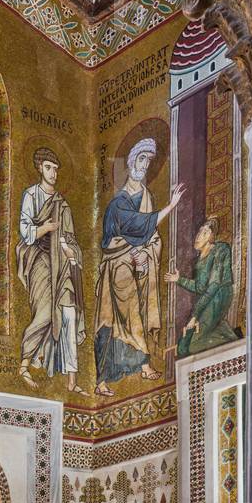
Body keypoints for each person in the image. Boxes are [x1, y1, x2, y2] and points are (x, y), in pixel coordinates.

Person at [94, 137, 184, 395]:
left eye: (149, 161)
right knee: (114, 315)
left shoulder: (147, 197)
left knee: (137, 310)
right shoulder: (118, 203)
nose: (144, 165)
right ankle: (105, 377)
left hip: (137, 265)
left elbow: (151, 235)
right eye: (141, 159)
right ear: (131, 161)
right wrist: (171, 206)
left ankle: (142, 364)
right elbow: (131, 229)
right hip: (116, 266)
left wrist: (145, 253)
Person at [16, 147, 86, 394]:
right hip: (38, 259)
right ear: (39, 168)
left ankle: (58, 371)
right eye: (48, 168)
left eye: (56, 169)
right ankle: (25, 362)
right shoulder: (31, 195)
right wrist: (45, 228)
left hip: (60, 263)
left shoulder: (62, 204)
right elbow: (25, 231)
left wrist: (70, 251)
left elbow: (70, 238)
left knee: (64, 312)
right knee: (45, 312)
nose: (53, 173)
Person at [164, 216, 238, 357]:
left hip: (220, 295)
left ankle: (231, 340)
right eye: (198, 233)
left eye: (203, 232)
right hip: (208, 299)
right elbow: (200, 287)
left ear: (210, 235)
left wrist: (195, 316)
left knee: (192, 346)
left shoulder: (221, 249)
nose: (198, 236)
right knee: (182, 347)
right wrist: (179, 279)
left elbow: (214, 285)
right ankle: (223, 330)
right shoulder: (200, 262)